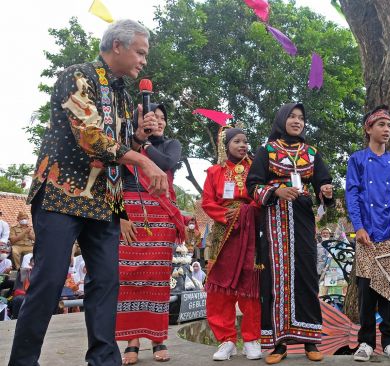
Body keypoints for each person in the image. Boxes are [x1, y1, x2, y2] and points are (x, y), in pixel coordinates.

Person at [8, 20, 169, 366]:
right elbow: (91, 137)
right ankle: (23, 361)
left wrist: (138, 138)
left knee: (107, 282)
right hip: (61, 194)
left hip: (105, 200)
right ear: (118, 47)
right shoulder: (76, 76)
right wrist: (143, 159)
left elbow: (119, 148)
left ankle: (104, 360)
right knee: (49, 280)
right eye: (140, 52)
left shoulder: (124, 95)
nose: (143, 61)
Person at [246, 102, 334, 364]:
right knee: (275, 279)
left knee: (306, 275)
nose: (297, 121)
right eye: (292, 117)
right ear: (282, 119)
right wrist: (276, 191)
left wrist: (326, 191)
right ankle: (278, 344)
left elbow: (323, 181)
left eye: (301, 118)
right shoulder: (267, 150)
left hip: (303, 221)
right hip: (274, 223)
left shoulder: (311, 152)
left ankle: (310, 341)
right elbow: (253, 184)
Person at [116, 102, 183, 364]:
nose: (157, 121)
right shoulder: (122, 146)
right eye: (150, 117)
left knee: (157, 280)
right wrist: (120, 215)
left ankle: (158, 338)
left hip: (160, 213)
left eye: (161, 118)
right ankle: (132, 341)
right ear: (139, 121)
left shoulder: (170, 145)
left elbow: (167, 163)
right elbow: (115, 178)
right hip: (129, 211)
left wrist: (144, 145)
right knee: (130, 278)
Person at [345, 105, 390, 362]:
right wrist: (358, 226)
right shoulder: (357, 160)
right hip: (367, 235)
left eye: (389, 126)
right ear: (368, 128)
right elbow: (352, 194)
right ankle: (366, 343)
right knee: (366, 291)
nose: (387, 130)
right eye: (381, 125)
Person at [202, 127, 262, 361]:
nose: (242, 145)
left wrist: (248, 212)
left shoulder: (256, 168)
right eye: (237, 141)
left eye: (245, 141)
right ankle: (226, 340)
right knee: (220, 289)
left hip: (250, 230)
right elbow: (208, 201)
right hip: (223, 231)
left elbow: (260, 195)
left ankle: (251, 339)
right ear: (225, 145)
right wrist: (224, 215)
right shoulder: (215, 172)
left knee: (250, 286)